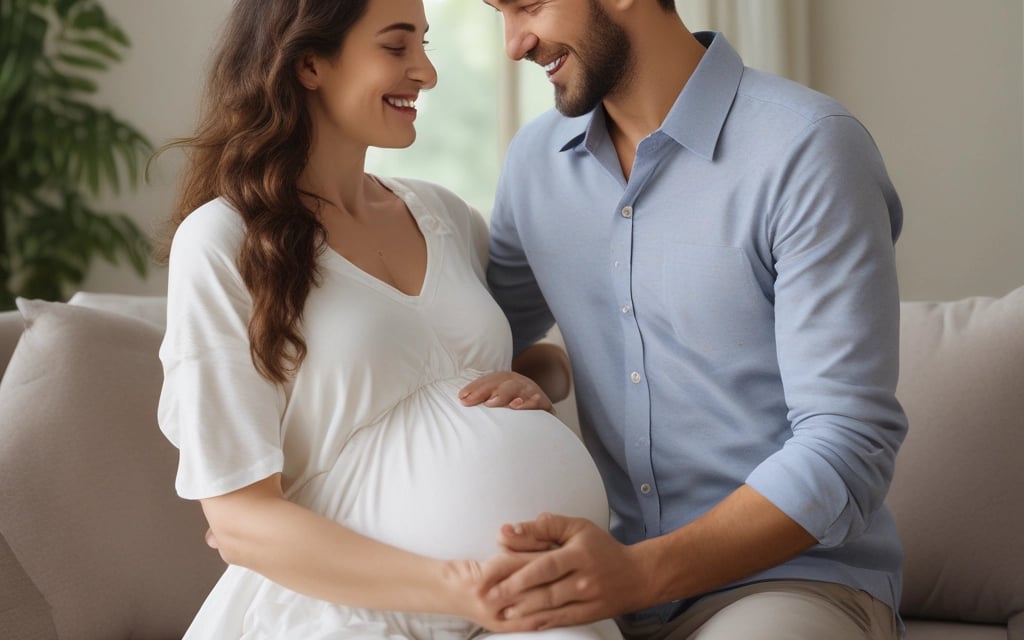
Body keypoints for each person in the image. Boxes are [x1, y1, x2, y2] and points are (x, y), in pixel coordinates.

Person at [156, 0, 624, 638]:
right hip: (348, 615)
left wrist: (541, 376)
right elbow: (240, 521)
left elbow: (494, 366)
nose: (427, 73)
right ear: (311, 63)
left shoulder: (446, 215)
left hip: (524, 608)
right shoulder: (222, 242)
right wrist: (460, 587)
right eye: (397, 47)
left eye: (425, 46)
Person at [466, 1, 908, 638]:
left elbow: (845, 444)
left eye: (529, 4)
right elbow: (478, 338)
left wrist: (637, 572)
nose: (513, 44)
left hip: (791, 580)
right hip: (605, 588)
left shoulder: (808, 148)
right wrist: (545, 372)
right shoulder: (534, 163)